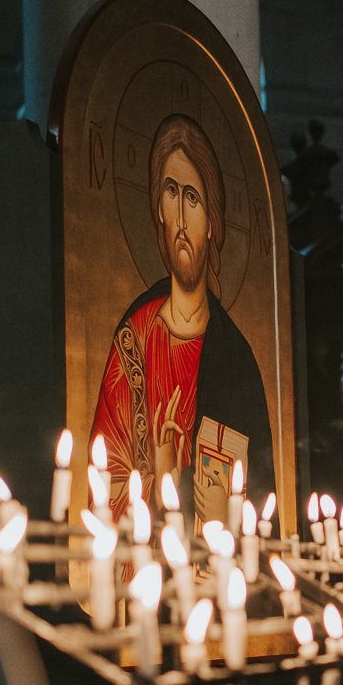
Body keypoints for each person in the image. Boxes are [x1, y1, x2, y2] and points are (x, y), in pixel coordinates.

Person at [89, 113, 273, 525]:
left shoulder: (236, 357)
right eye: (171, 193)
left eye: (193, 197)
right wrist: (158, 481)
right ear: (158, 208)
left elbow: (261, 501)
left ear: (212, 222)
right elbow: (102, 486)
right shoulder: (135, 338)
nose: (183, 218)